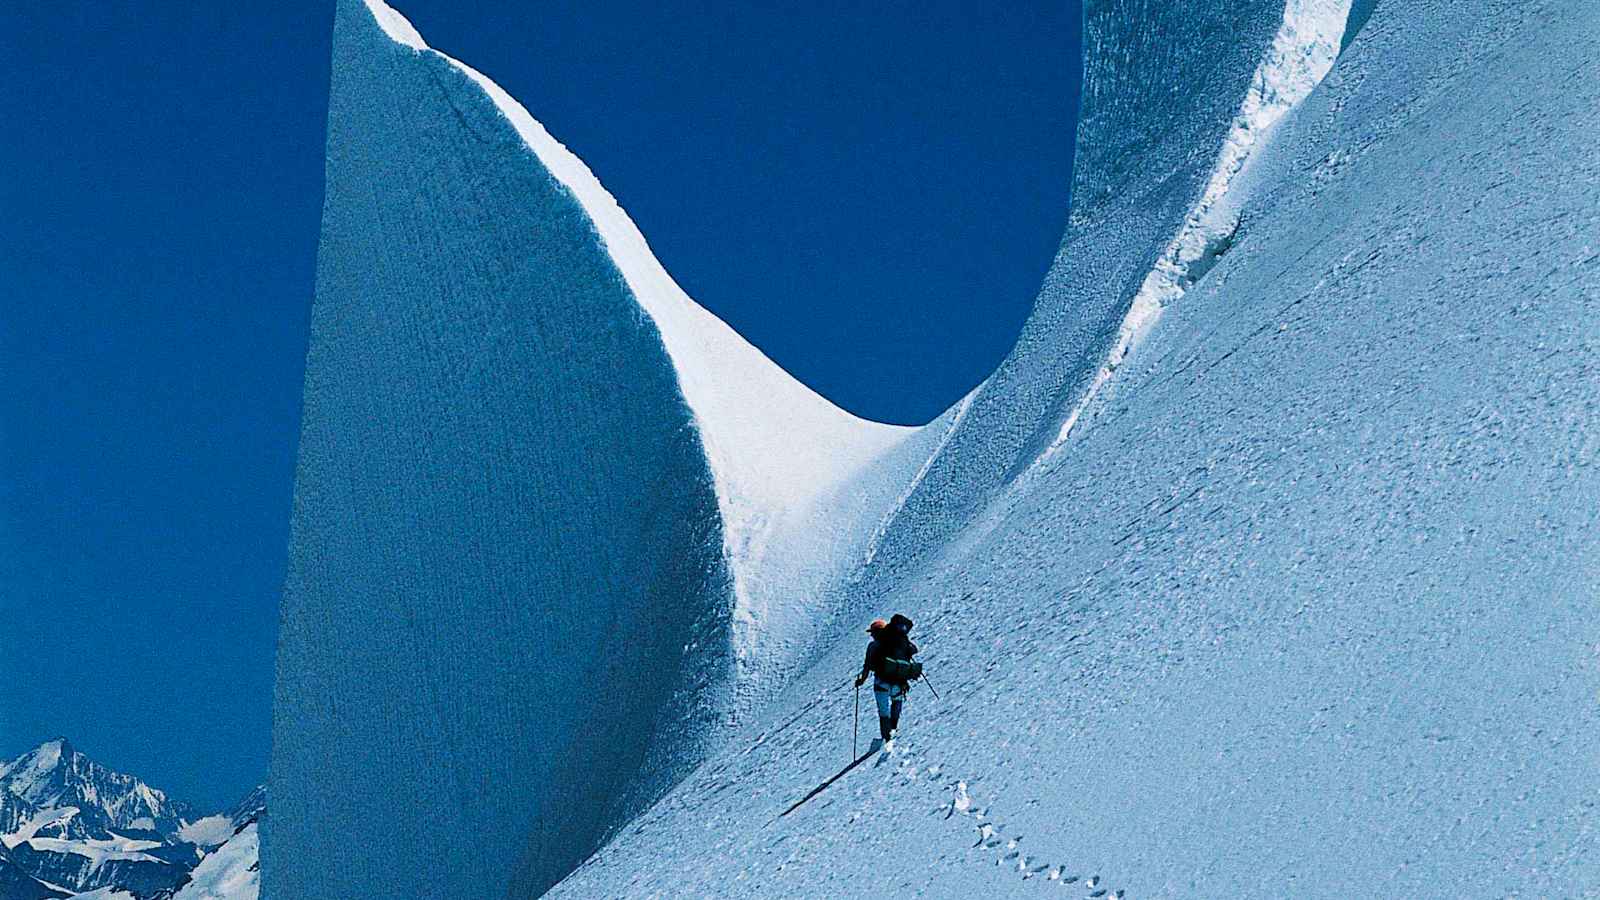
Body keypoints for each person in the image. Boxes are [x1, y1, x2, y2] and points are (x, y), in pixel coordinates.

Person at [855, 613, 918, 748]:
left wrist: (861, 680)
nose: (871, 635)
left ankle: (886, 737)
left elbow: (867, 666)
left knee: (883, 711)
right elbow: (914, 650)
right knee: (897, 701)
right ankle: (894, 728)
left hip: (881, 683)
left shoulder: (873, 646)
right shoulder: (899, 641)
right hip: (898, 681)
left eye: (872, 632)